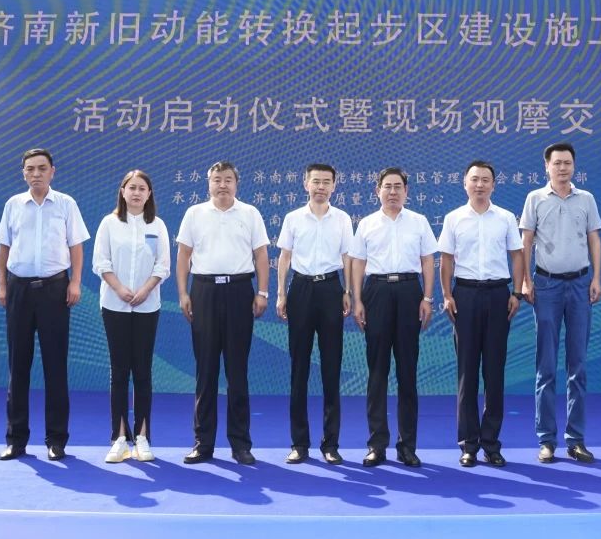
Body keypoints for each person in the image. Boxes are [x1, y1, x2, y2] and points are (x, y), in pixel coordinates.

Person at [0, 148, 89, 461]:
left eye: (42, 168)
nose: (36, 174)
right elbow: (4, 247)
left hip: (55, 290)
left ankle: (56, 439)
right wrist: (2, 284)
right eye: (30, 169)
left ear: (52, 171)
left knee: (55, 367)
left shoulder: (66, 204)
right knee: (18, 366)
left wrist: (75, 282)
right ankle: (16, 439)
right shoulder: (13, 205)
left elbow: (76, 247)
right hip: (19, 290)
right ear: (23, 173)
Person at [175, 161, 270, 465]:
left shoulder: (250, 213)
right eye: (217, 179)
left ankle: (240, 444)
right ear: (209, 183)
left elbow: (261, 255)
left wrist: (262, 292)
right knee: (205, 371)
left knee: (237, 371)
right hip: (203, 292)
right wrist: (183, 293)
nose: (222, 185)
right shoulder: (195, 213)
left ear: (236, 184)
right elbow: (184, 256)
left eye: (228, 179)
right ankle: (203, 443)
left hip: (240, 291)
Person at [519, 141, 601, 464]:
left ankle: (576, 439)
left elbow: (594, 238)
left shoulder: (587, 199)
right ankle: (546, 440)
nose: (563, 168)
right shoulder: (535, 199)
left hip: (580, 284)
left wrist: (596, 278)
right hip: (547, 285)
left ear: (574, 166)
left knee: (577, 365)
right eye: (557, 163)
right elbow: (526, 241)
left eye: (567, 163)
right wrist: (525, 281)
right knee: (546, 365)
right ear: (547, 167)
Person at [438, 160, 524, 468]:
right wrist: (447, 295)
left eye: (485, 180)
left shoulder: (505, 218)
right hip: (465, 295)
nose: (479, 184)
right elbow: (446, 259)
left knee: (494, 371)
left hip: (499, 294)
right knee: (467, 372)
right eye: (474, 179)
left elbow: (517, 256)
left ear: (493, 185)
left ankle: (491, 443)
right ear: (465, 183)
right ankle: (468, 444)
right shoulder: (454, 218)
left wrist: (517, 292)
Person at [350, 168, 437, 468]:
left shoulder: (419, 221)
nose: (392, 192)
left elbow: (428, 260)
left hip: (410, 291)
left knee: (407, 372)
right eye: (387, 187)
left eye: (398, 186)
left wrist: (427, 298)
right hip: (376, 292)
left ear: (406, 191)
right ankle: (377, 444)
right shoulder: (367, 224)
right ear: (377, 191)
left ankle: (407, 446)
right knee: (377, 372)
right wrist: (357, 299)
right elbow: (357, 263)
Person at [276, 163, 353, 465]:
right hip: (301, 290)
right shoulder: (293, 218)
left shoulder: (342, 218)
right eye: (316, 181)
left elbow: (348, 257)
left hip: (331, 289)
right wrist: (281, 293)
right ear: (305, 183)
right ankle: (299, 443)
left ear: (334, 186)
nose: (321, 187)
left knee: (331, 368)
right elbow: (284, 257)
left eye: (326, 182)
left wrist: (347, 291)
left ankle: (330, 444)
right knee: (299, 369)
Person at [92, 170, 171, 463]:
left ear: (149, 194)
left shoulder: (157, 225)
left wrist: (146, 289)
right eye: (132, 188)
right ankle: (119, 438)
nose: (136, 193)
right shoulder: (109, 223)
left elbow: (163, 265)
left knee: (142, 371)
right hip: (115, 304)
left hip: (147, 306)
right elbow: (100, 262)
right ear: (122, 192)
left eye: (142, 189)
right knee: (119, 371)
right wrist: (120, 289)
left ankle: (142, 437)